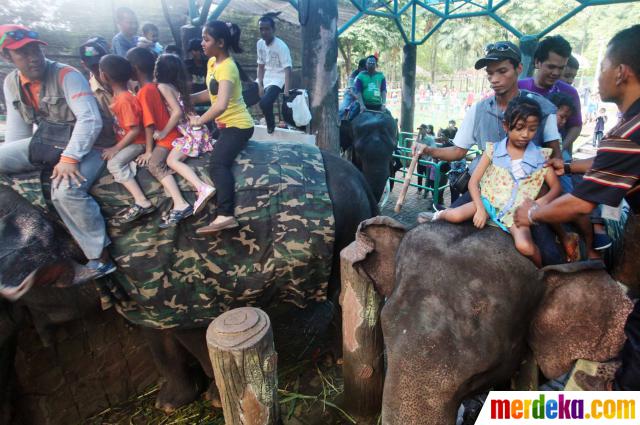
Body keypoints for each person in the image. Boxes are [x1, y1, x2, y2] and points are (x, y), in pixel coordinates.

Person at [514, 25, 640, 391]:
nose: (596, 76)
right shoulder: (629, 128)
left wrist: (531, 214)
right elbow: (608, 162)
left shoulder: (629, 132)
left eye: (602, 66)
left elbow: (582, 201)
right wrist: (566, 166)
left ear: (621, 72)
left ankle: (613, 399)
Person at [0, 25, 115, 279]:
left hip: (89, 145)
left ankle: (100, 258)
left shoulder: (66, 75)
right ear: (7, 57)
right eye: (23, 53)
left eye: (35, 50)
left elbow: (90, 121)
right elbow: (18, 133)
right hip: (47, 144)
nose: (33, 57)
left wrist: (70, 158)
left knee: (66, 191)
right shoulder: (12, 83)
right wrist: (19, 165)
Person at [413, 41, 562, 208]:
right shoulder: (478, 110)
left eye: (502, 71)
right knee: (445, 220)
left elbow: (556, 156)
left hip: (528, 193)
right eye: (490, 74)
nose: (495, 79)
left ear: (519, 69)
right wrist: (428, 150)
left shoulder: (542, 108)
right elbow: (458, 151)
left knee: (544, 231)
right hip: (486, 189)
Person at [425, 98, 561, 267]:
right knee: (455, 215)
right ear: (506, 126)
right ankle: (437, 215)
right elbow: (473, 182)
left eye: (532, 129)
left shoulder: (541, 157)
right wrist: (480, 209)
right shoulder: (492, 150)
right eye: (519, 128)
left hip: (515, 213)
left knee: (525, 246)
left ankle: (542, 274)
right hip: (487, 202)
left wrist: (540, 202)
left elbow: (556, 187)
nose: (525, 134)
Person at [189, 20, 254, 233]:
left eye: (206, 40)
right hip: (224, 123)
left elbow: (221, 103)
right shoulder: (212, 63)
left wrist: (200, 120)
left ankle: (225, 214)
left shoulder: (228, 67)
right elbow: (211, 93)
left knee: (217, 164)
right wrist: (187, 100)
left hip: (238, 125)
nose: (202, 44)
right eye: (202, 39)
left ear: (221, 42)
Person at [126, 47, 193, 228]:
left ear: (134, 68)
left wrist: (149, 151)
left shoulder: (146, 91)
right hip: (167, 134)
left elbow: (149, 123)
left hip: (167, 137)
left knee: (154, 164)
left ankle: (181, 204)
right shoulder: (153, 87)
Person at [153, 53, 215, 214]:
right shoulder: (175, 86)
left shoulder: (163, 86)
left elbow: (177, 113)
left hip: (190, 131)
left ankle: (202, 187)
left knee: (172, 160)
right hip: (195, 128)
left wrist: (163, 133)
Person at [98, 54, 155, 223]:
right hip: (129, 141)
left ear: (104, 76)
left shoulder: (124, 99)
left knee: (113, 163)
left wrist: (116, 149)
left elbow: (134, 130)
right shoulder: (120, 96)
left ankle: (142, 201)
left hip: (138, 143)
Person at [518, 36, 582, 163]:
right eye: (551, 67)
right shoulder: (519, 87)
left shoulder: (570, 93)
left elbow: (575, 126)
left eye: (561, 68)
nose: (556, 73)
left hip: (554, 159)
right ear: (537, 62)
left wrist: (560, 147)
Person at [256, 13, 292, 134]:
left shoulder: (281, 46)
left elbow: (288, 70)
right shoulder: (259, 44)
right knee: (245, 97)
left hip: (278, 78)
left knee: (265, 102)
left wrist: (286, 93)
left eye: (267, 29)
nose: (264, 32)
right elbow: (260, 66)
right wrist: (259, 84)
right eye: (261, 29)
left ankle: (271, 126)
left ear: (273, 29)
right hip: (266, 77)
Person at [415, 124, 436, 193]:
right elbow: (415, 147)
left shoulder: (430, 139)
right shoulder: (419, 138)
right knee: (419, 176)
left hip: (427, 162)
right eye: (419, 130)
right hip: (420, 161)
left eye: (421, 129)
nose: (420, 131)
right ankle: (419, 189)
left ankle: (426, 191)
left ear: (425, 130)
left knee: (428, 177)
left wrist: (428, 157)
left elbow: (433, 149)